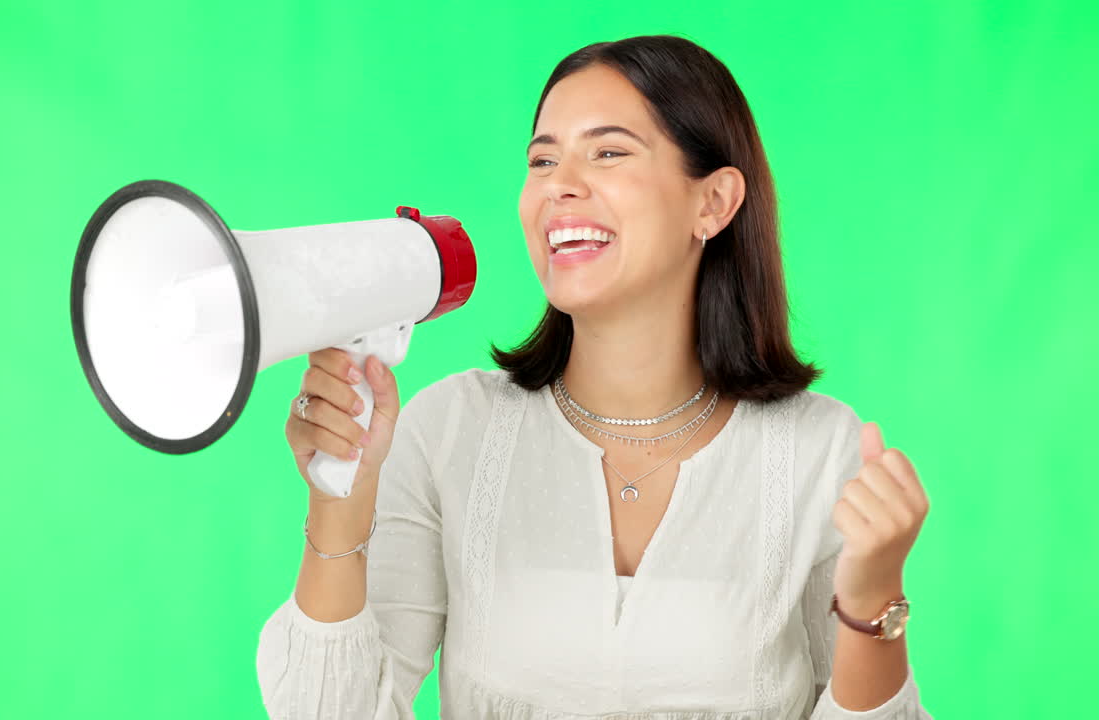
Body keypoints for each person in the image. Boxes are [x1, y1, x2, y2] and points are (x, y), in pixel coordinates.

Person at [256, 34, 932, 719]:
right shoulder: (448, 431)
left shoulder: (818, 450)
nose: (560, 185)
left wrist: (874, 597)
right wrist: (339, 501)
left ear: (715, 202)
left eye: (607, 152)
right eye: (542, 160)